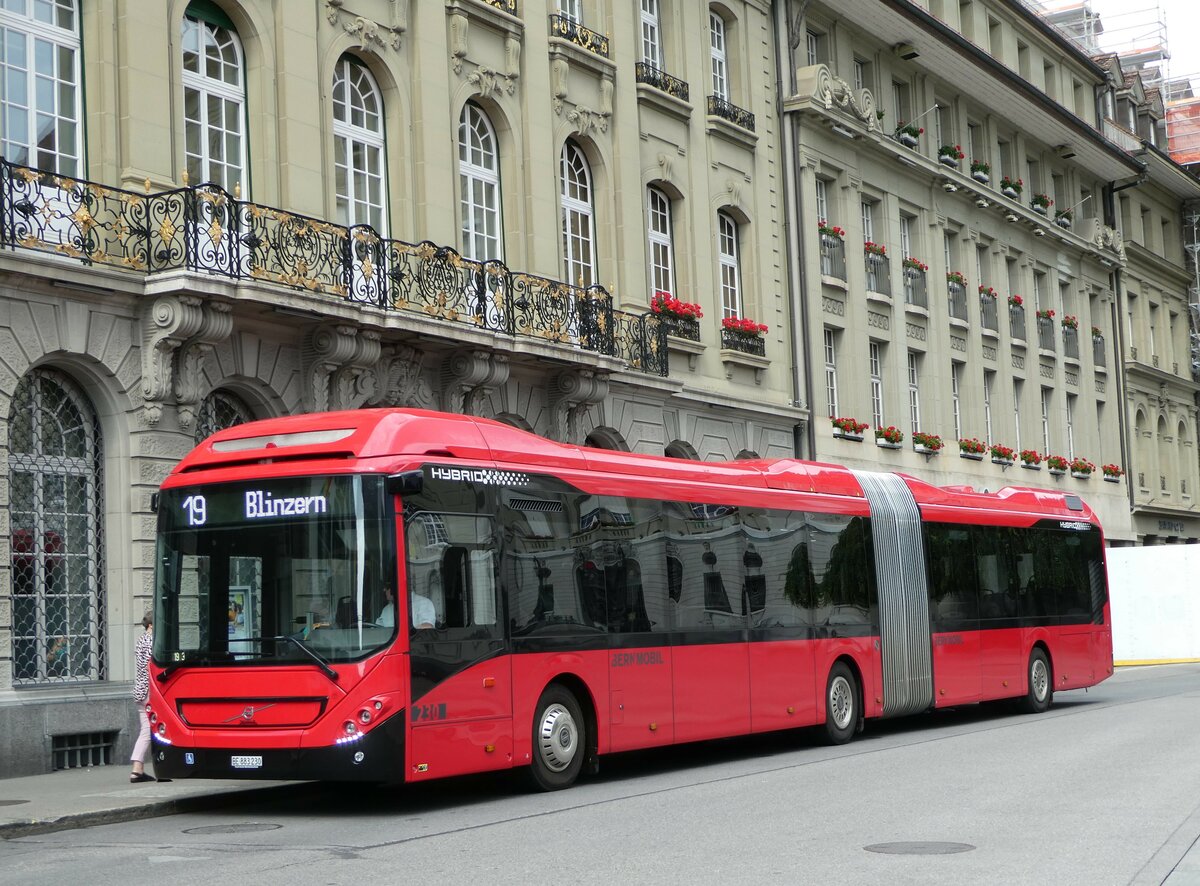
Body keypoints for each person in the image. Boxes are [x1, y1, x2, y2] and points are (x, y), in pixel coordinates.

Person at [130, 612, 155, 783]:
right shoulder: (151, 641)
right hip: (150, 691)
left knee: (145, 729)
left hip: (140, 690)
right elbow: (152, 666)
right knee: (148, 730)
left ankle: (137, 769)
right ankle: (138, 768)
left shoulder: (140, 640)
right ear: (151, 626)